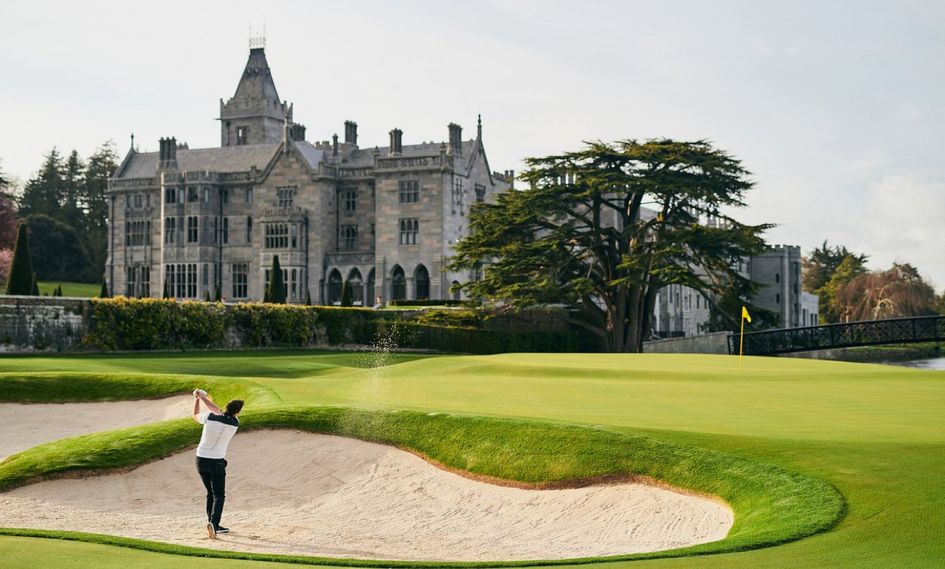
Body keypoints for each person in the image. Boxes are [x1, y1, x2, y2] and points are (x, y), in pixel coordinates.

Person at [192, 389, 243, 540]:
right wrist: (203, 397)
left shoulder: (210, 416)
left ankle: (212, 523)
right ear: (237, 412)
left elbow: (195, 416)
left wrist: (199, 398)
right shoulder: (235, 423)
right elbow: (219, 411)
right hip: (217, 462)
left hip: (201, 459)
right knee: (219, 495)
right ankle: (214, 524)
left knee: (210, 493)